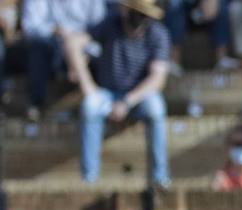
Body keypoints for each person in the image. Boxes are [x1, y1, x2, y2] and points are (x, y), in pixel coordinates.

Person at [64, 0, 172, 187]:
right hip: (107, 93)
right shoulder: (109, 23)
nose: (138, 17)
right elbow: (72, 43)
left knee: (156, 107)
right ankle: (89, 180)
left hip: (138, 96)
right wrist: (87, 86)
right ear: (126, 10)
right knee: (90, 105)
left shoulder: (158, 34)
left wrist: (127, 101)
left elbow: (157, 80)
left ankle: (160, 179)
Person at [21, 0, 107, 121]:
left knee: (102, 54)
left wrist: (78, 54)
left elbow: (102, 30)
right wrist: (53, 30)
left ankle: (104, 100)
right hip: (52, 46)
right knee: (37, 48)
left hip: (85, 48)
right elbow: (29, 27)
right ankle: (37, 103)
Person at [164, 0, 239, 70]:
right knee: (174, 4)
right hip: (186, 9)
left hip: (209, 9)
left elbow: (209, 11)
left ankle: (222, 59)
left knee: (222, 4)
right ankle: (174, 62)